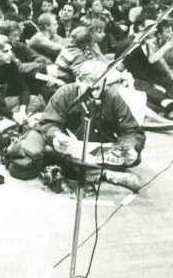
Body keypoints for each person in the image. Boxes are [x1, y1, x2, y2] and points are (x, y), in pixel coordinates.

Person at [36, 59, 147, 189]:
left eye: (98, 88)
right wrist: (56, 136)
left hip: (99, 148)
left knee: (135, 157)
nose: (94, 93)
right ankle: (106, 174)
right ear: (78, 80)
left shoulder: (112, 97)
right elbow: (48, 123)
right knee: (48, 150)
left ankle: (87, 171)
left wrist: (130, 146)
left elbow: (131, 130)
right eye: (89, 88)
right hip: (69, 147)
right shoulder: (64, 93)